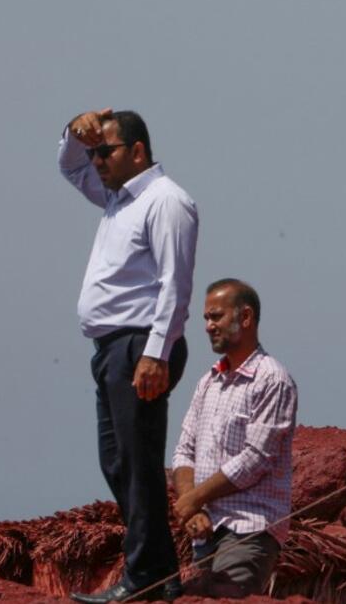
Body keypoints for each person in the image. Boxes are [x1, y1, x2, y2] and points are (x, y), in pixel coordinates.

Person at [61, 109, 198, 604]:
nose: (95, 161)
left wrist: (156, 354)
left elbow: (174, 286)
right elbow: (69, 168)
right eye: (94, 152)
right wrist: (74, 129)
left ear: (136, 151)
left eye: (104, 151)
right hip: (112, 350)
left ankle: (145, 579)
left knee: (137, 463)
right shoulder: (117, 197)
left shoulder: (166, 201)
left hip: (141, 347)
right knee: (119, 462)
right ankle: (159, 573)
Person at [171, 279, 298, 598]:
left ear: (246, 317)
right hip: (205, 531)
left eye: (216, 317)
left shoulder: (272, 379)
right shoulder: (209, 381)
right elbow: (184, 452)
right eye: (206, 319)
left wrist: (195, 498)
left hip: (248, 529)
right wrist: (193, 506)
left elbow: (255, 459)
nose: (208, 326)